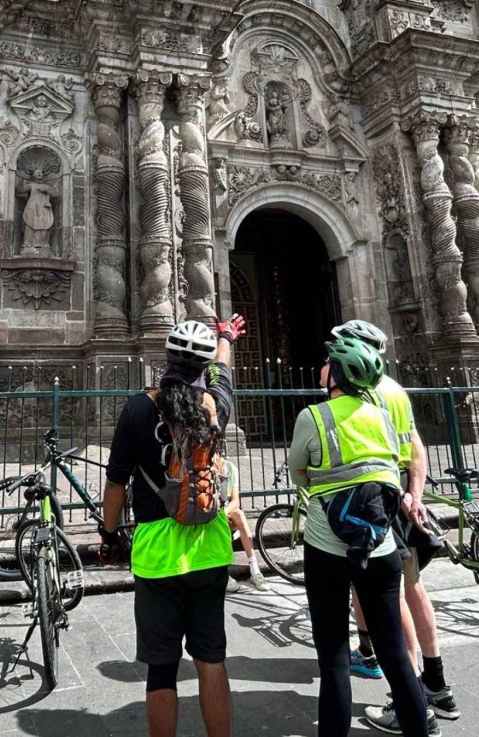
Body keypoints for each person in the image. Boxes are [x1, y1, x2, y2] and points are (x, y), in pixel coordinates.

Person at [102, 315, 243, 737]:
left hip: (157, 555)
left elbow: (115, 485)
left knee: (161, 669)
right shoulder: (216, 403)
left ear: (166, 359)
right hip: (212, 546)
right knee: (211, 660)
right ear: (204, 368)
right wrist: (225, 337)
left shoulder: (139, 407)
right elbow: (225, 370)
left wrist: (109, 535)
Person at [292, 337, 433, 737]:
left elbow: (297, 472)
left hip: (326, 547)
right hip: (381, 545)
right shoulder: (384, 417)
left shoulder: (314, 417)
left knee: (333, 656)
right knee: (396, 654)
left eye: (328, 362)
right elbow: (396, 465)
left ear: (336, 374)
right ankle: (419, 726)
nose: (323, 366)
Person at [325, 321, 459, 731]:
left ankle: (412, 699)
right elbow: (415, 446)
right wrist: (414, 495)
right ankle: (435, 681)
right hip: (400, 492)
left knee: (390, 595)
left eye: (337, 350)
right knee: (412, 587)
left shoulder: (361, 393)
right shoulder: (396, 390)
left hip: (374, 500)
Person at [224, 457, 269, 591]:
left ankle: (254, 569)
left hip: (226, 512)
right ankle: (222, 573)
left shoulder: (230, 468)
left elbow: (235, 500)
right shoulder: (205, 468)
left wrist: (225, 512)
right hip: (211, 513)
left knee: (239, 514)